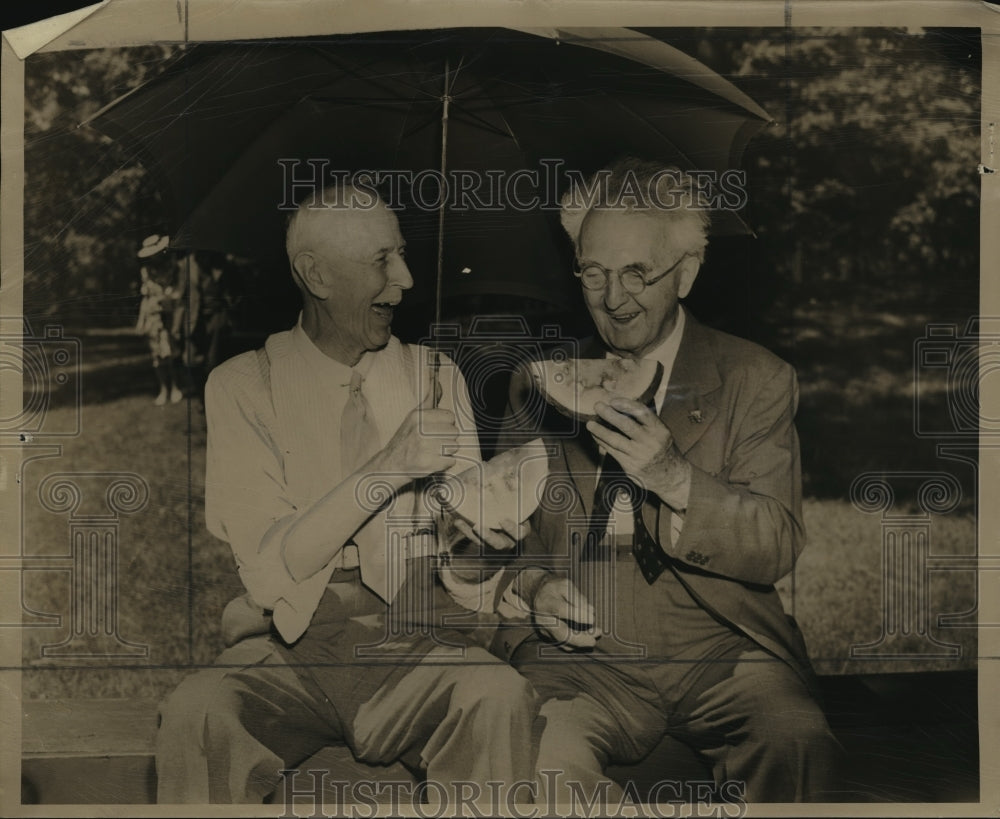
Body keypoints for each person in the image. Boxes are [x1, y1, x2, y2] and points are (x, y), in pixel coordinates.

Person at [155, 185, 537, 805]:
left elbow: (463, 576)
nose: (406, 279)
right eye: (383, 260)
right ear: (317, 275)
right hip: (293, 648)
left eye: (403, 255)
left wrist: (485, 545)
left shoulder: (438, 378)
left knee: (499, 697)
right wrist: (389, 466)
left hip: (417, 642)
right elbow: (270, 571)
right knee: (198, 715)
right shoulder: (243, 385)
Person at [494, 159, 843, 805]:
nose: (613, 298)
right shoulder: (536, 383)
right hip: (580, 658)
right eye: (593, 272)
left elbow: (776, 540)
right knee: (537, 760)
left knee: (794, 735)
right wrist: (534, 584)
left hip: (719, 648)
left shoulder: (755, 378)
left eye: (637, 272)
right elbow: (502, 538)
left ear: (685, 273)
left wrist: (675, 477)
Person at [135, 234, 184, 405]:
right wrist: (141, 321)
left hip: (169, 316)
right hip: (153, 318)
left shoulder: (174, 268)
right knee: (156, 355)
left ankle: (175, 387)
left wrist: (169, 298)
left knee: (170, 352)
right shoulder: (146, 272)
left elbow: (179, 293)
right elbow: (146, 298)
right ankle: (163, 389)